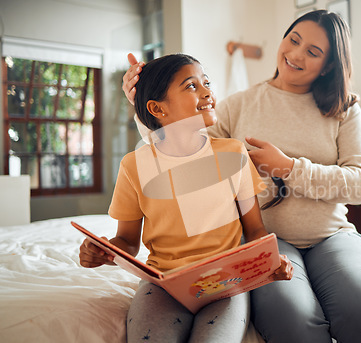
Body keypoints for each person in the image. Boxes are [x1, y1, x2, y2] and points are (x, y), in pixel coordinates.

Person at [122, 10, 361, 343]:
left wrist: (289, 169)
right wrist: (142, 104)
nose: (295, 54)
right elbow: (178, 153)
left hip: (331, 237)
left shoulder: (344, 109)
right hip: (263, 240)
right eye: (293, 40)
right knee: (293, 320)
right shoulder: (238, 106)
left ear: (329, 66)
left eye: (313, 51)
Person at [80, 53, 293, 343]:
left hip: (226, 284)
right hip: (163, 285)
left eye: (206, 83)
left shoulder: (233, 153)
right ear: (157, 108)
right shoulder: (134, 166)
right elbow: (127, 241)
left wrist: (269, 261)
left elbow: (254, 229)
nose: (207, 92)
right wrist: (105, 252)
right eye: (191, 86)